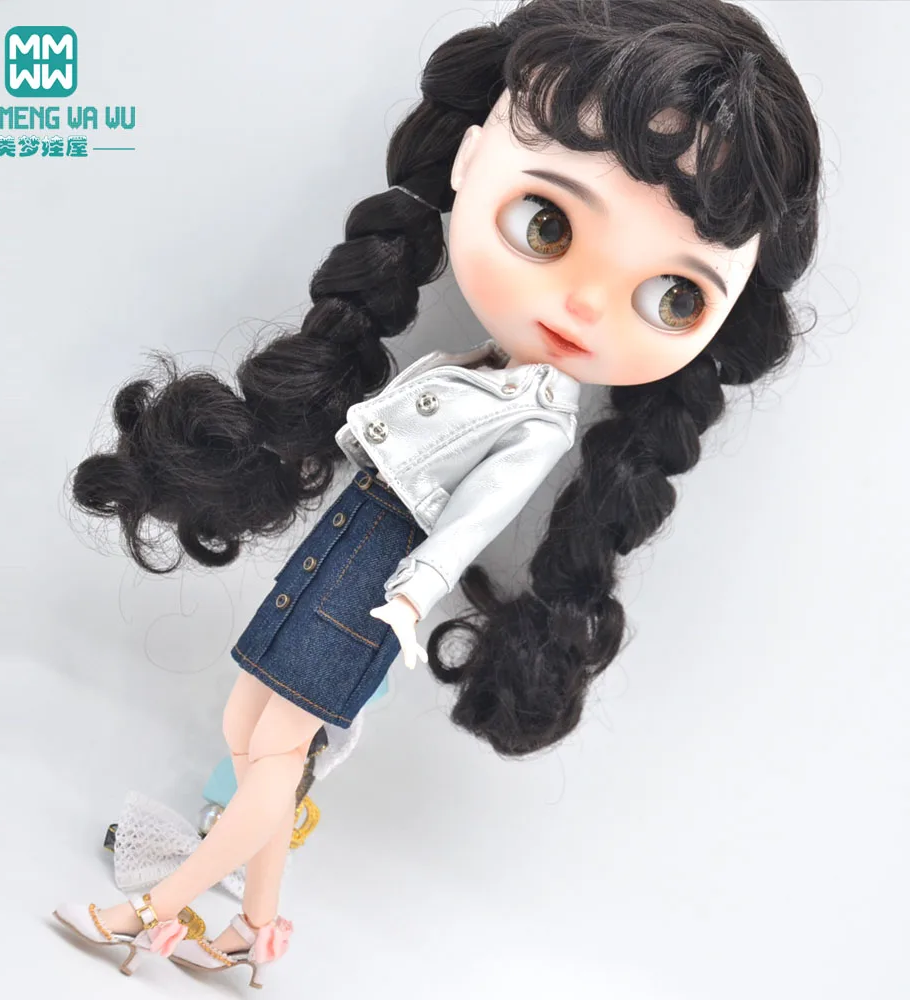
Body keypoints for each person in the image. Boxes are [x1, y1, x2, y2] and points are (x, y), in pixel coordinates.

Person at [54, 0, 823, 985]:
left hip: (378, 579)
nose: (584, 303)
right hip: (351, 539)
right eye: (547, 223)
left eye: (674, 296)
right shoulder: (480, 370)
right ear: (466, 162)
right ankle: (254, 929)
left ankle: (146, 913)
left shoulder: (539, 420)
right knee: (252, 732)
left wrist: (412, 597)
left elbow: (473, 518)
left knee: (275, 749)